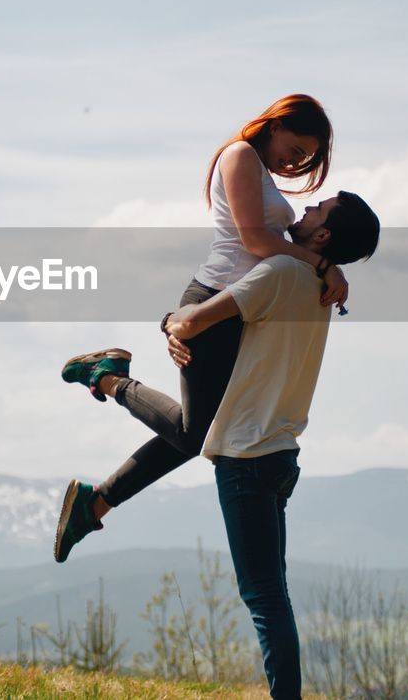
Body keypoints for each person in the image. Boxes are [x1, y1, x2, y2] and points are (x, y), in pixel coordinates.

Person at [75, 190, 380, 700]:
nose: (304, 211)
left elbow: (192, 322)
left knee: (263, 597)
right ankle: (108, 387)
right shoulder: (320, 288)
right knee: (272, 593)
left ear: (323, 235)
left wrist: (171, 324)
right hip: (282, 454)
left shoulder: (282, 272)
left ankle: (109, 381)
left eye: (317, 211)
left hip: (248, 458)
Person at [54, 95, 347, 560]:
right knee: (196, 435)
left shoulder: (262, 172)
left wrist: (322, 266)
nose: (296, 161)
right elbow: (254, 240)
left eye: (304, 158)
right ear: (274, 126)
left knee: (197, 433)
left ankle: (96, 502)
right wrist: (322, 261)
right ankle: (108, 378)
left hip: (236, 310)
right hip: (213, 300)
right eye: (295, 149)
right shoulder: (240, 156)